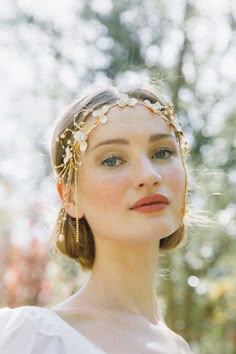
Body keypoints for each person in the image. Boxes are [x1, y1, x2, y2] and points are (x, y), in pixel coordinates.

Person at [0, 85, 193, 353]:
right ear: (70, 196)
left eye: (162, 152)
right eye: (113, 160)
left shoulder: (180, 347)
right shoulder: (33, 338)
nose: (148, 175)